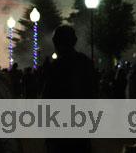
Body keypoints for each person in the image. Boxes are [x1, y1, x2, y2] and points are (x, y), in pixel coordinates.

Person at [41, 25, 96, 153]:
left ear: (58, 43)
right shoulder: (85, 62)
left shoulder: (56, 66)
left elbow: (47, 98)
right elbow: (92, 93)